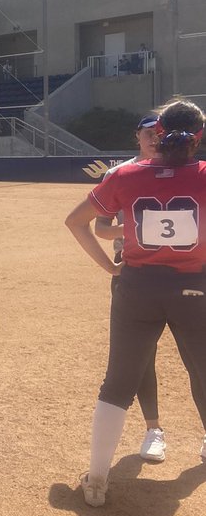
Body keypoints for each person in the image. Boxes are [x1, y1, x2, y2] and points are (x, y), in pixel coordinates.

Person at [65, 99, 206, 507]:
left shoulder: (125, 175)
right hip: (193, 288)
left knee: (118, 382)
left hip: (136, 288)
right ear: (198, 138)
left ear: (156, 134)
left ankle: (96, 478)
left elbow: (77, 222)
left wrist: (110, 269)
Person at [92, 112, 165, 461]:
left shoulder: (188, 171)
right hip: (134, 274)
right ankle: (154, 429)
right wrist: (138, 227)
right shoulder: (118, 175)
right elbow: (101, 229)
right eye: (148, 131)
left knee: (198, 356)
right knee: (142, 357)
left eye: (160, 132)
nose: (154, 137)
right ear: (137, 135)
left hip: (189, 273)